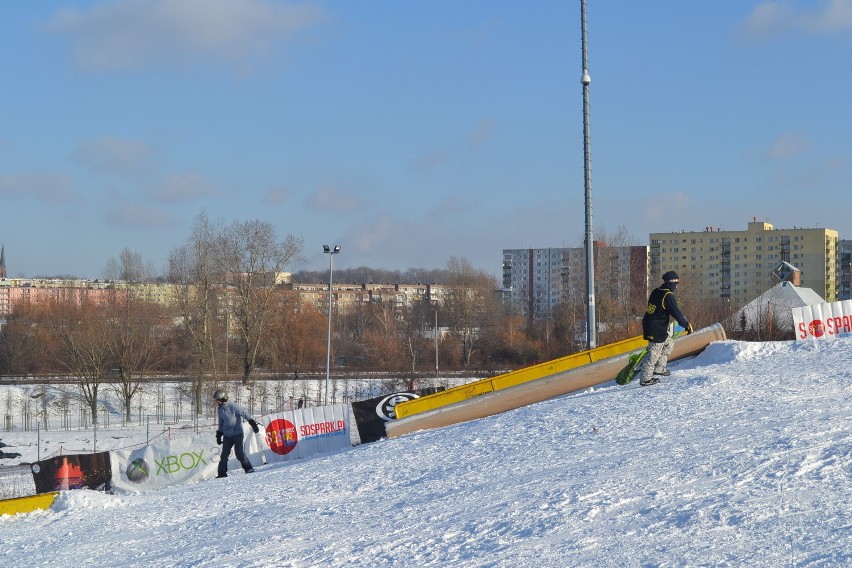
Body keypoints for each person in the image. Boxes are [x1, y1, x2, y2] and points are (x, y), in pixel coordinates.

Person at [639, 271, 693, 387]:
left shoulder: (657, 291)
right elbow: (676, 313)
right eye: (677, 282)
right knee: (654, 353)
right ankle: (645, 378)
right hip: (655, 328)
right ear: (671, 283)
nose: (677, 285)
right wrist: (686, 325)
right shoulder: (667, 296)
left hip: (656, 326)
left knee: (668, 344)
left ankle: (659, 368)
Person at [213, 388, 260, 478]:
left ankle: (248, 468)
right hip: (227, 435)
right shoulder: (220, 409)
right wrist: (219, 433)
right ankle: (222, 473)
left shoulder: (232, 406)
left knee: (239, 454)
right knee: (224, 455)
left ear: (222, 399)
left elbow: (243, 413)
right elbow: (221, 422)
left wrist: (252, 422)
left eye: (217, 400)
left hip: (237, 433)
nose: (216, 402)